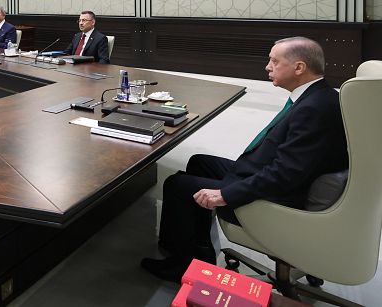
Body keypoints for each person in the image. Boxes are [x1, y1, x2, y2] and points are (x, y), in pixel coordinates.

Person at [140, 37, 348, 282]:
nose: (267, 67)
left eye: (274, 61)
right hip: (264, 171)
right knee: (199, 161)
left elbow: (285, 175)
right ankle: (195, 248)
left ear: (299, 67)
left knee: (177, 185)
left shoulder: (313, 109)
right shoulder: (319, 95)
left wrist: (226, 194)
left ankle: (182, 266)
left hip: (276, 195)